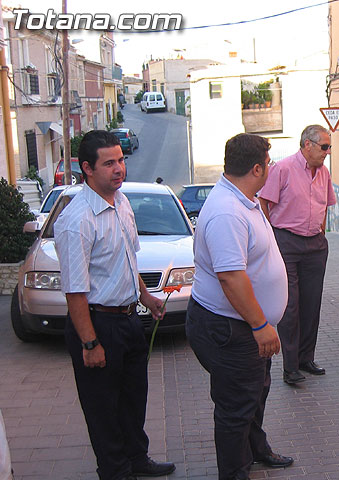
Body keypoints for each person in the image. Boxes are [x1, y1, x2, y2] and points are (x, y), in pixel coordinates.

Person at [54, 130, 175, 480]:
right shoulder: (76, 220)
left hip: (128, 320)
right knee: (103, 409)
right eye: (109, 163)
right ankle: (115, 471)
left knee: (133, 399)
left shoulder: (120, 202)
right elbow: (75, 291)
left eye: (121, 160)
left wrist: (145, 297)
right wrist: (89, 343)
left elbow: (127, 260)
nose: (119, 168)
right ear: (87, 168)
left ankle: (138, 459)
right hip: (96, 323)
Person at [186, 133, 293, 480]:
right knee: (236, 406)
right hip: (231, 329)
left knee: (255, 392)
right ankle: (234, 472)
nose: (273, 168)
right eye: (270, 162)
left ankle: (256, 450)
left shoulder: (246, 199)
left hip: (244, 326)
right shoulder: (227, 212)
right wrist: (261, 326)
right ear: (257, 168)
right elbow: (231, 278)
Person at [259, 125, 336, 385]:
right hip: (287, 243)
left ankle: (306, 358)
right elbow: (263, 202)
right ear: (307, 145)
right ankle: (290, 367)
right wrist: (272, 236)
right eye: (324, 146)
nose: (327, 151)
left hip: (315, 244)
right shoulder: (282, 168)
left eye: (329, 146)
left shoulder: (324, 172)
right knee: (290, 307)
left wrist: (321, 232)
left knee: (311, 304)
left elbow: (326, 205)